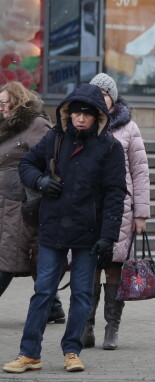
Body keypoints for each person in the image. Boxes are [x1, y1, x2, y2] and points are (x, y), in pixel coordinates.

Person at [2, 83, 127, 374]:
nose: (80, 118)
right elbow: (28, 164)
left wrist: (108, 236)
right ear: (67, 114)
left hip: (88, 232)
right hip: (53, 227)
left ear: (98, 117)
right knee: (43, 291)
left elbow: (115, 194)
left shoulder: (110, 147)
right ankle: (29, 353)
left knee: (82, 294)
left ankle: (72, 350)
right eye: (76, 113)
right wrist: (40, 181)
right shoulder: (56, 137)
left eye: (87, 113)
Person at [80, 73, 151, 351]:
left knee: (114, 268)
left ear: (113, 97)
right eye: (95, 92)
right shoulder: (83, 122)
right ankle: (86, 327)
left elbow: (140, 172)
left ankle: (112, 328)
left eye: (105, 93)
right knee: (89, 269)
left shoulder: (128, 128)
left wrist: (140, 214)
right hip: (88, 207)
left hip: (121, 207)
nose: (100, 98)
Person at [0, 82, 67, 324]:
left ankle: (51, 306)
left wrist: (39, 183)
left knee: (7, 256)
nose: (0, 107)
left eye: (3, 102)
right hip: (5, 203)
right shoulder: (7, 127)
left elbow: (52, 159)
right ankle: (54, 307)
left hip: (20, 203)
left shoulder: (36, 125)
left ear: (17, 101)